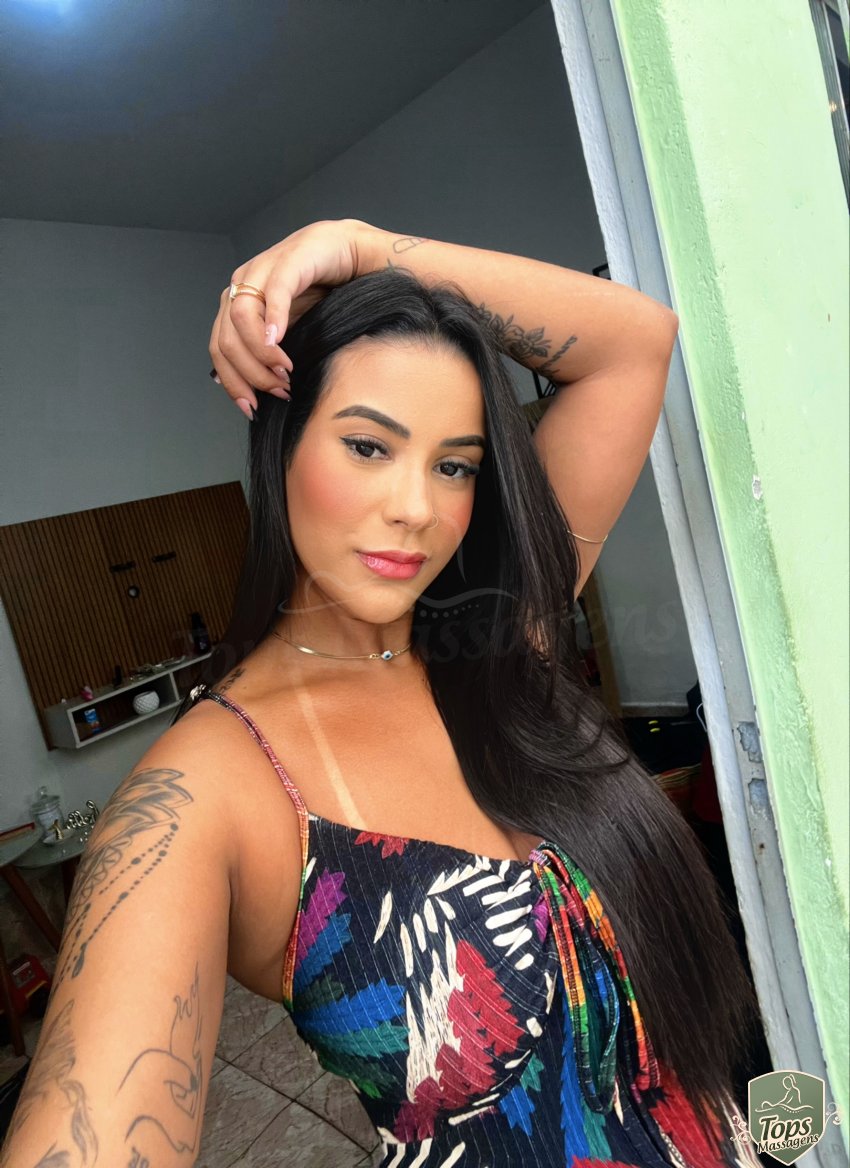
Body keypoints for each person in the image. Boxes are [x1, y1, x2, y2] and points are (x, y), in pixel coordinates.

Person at [1, 218, 762, 1167]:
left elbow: (635, 341)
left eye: (454, 465)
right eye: (368, 446)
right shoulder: (203, 796)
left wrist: (356, 245)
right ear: (281, 442)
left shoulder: (498, 634)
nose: (417, 508)